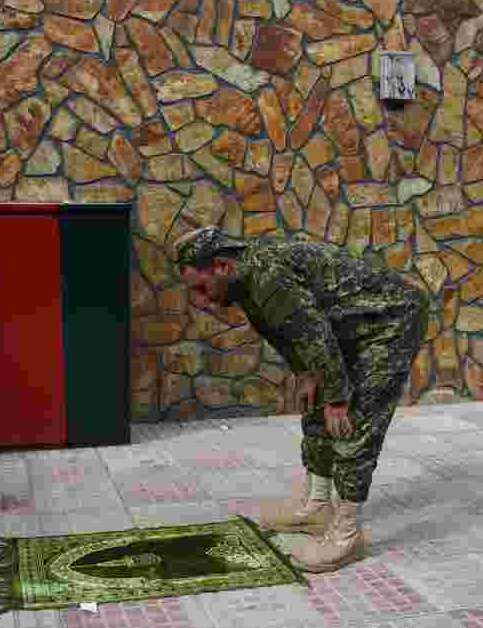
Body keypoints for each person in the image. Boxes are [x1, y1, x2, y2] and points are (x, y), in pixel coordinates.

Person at [173, 227, 428, 573]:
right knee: (315, 406)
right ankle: (317, 505)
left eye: (201, 288)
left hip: (390, 321)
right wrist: (306, 374)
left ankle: (347, 533)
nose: (202, 300)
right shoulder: (244, 278)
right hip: (349, 326)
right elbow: (282, 331)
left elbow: (312, 331)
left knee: (352, 420)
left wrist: (337, 395)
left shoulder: (265, 275)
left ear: (220, 266)